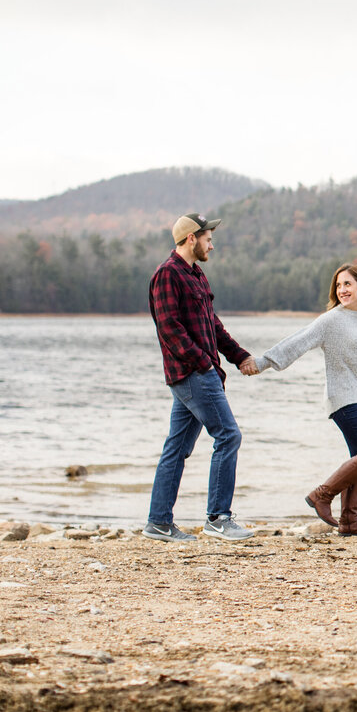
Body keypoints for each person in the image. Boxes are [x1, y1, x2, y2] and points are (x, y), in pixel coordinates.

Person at [252, 263, 357, 535]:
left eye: (347, 284)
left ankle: (349, 522)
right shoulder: (331, 320)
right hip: (342, 399)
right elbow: (297, 342)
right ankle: (322, 495)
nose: (342, 290)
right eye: (339, 285)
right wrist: (263, 363)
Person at [144, 212, 258, 543]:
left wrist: (239, 356)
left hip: (199, 374)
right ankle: (218, 518)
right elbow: (169, 329)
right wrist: (204, 364)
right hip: (193, 374)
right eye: (208, 238)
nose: (213, 244)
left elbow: (213, 325)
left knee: (176, 448)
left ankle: (158, 522)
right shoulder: (167, 275)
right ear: (191, 238)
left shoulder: (196, 275)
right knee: (228, 436)